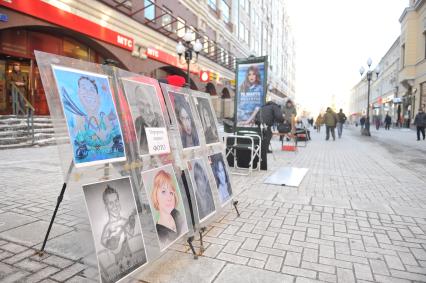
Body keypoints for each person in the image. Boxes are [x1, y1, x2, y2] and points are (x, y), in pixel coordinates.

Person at [61, 76, 123, 159]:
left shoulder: (103, 116)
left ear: (98, 97)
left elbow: (110, 128)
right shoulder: (79, 118)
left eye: (92, 89)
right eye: (83, 88)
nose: (88, 93)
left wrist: (105, 132)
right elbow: (74, 134)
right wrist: (77, 127)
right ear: (79, 94)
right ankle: (82, 148)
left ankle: (117, 144)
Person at [101, 185, 136, 272]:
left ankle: (130, 265)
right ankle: (121, 268)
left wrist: (132, 224)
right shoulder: (108, 226)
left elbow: (131, 233)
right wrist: (109, 243)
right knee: (119, 259)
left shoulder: (124, 221)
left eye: (116, 201)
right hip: (116, 249)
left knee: (128, 256)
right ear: (106, 207)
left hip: (125, 245)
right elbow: (103, 240)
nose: (115, 205)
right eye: (110, 203)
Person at [151, 170, 186, 246]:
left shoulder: (177, 214)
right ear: (155, 195)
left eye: (171, 192)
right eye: (163, 192)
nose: (169, 198)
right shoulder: (160, 232)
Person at [134, 85, 164, 154]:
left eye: (148, 105)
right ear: (137, 105)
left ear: (152, 103)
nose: (147, 111)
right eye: (141, 104)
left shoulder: (160, 121)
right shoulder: (138, 122)